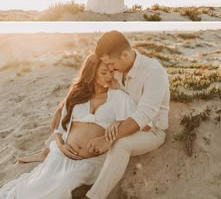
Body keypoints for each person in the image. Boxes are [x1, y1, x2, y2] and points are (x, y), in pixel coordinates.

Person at [0, 53, 136, 199]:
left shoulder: (120, 98)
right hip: (61, 154)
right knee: (32, 187)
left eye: (111, 71)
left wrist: (118, 123)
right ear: (91, 73)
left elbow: (137, 124)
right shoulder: (76, 96)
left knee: (61, 185)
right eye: (103, 72)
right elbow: (59, 129)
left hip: (90, 162)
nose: (109, 76)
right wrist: (61, 146)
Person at [83, 30, 170, 199]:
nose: (109, 68)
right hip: (122, 123)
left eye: (110, 63)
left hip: (151, 131)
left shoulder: (154, 73)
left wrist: (108, 138)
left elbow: (143, 116)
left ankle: (93, 196)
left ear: (124, 54)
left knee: (120, 143)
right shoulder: (117, 69)